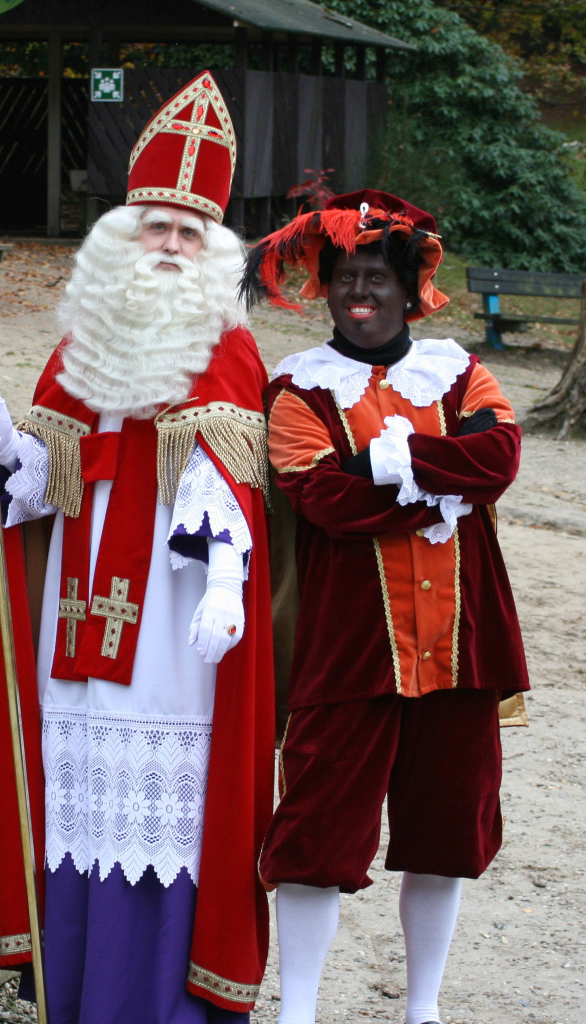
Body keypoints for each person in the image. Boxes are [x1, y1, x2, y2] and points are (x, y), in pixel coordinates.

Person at [0, 71, 275, 1024]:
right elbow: (50, 487)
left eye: (190, 233)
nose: (171, 246)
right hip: (77, 616)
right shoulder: (82, 342)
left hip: (172, 628)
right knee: (77, 799)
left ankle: (154, 1002)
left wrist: (226, 579)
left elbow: (226, 483)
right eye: (155, 227)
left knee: (162, 819)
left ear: (213, 248)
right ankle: (75, 994)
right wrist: (12, 444)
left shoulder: (224, 344)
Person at [240, 189, 529, 1024]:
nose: (358, 293)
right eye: (344, 278)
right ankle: (298, 1009)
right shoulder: (296, 387)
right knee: (314, 835)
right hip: (348, 644)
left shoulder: (457, 368)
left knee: (444, 832)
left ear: (408, 290)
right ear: (325, 288)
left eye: (375, 278)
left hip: (459, 639)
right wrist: (431, 477)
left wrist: (388, 461)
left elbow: (500, 456)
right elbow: (320, 496)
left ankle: (423, 1008)